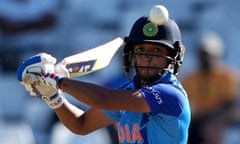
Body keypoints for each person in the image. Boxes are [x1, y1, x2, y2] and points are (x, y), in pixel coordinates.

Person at [17, 5, 191, 144]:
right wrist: (54, 98)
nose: (146, 57)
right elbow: (81, 124)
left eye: (156, 50)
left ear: (173, 59)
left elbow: (103, 99)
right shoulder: (129, 91)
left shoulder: (170, 95)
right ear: (131, 55)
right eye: (140, 49)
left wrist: (57, 80)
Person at [181, 32, 240, 144]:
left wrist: (209, 115)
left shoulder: (228, 76)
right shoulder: (191, 78)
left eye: (208, 55)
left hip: (222, 122)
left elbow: (230, 104)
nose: (205, 59)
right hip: (197, 122)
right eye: (203, 55)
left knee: (213, 125)